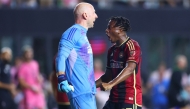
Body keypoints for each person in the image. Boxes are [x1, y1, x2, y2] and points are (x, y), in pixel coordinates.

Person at [56, 2, 98, 109]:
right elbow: (61, 57)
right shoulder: (72, 32)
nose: (96, 16)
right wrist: (61, 79)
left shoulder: (82, 34)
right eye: (94, 13)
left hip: (88, 92)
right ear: (85, 15)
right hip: (80, 92)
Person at [96, 16, 142, 109]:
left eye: (109, 27)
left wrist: (110, 84)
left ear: (120, 30)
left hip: (129, 99)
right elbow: (107, 76)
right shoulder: (111, 50)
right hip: (113, 100)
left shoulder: (132, 45)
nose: (106, 30)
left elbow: (130, 68)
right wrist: (89, 87)